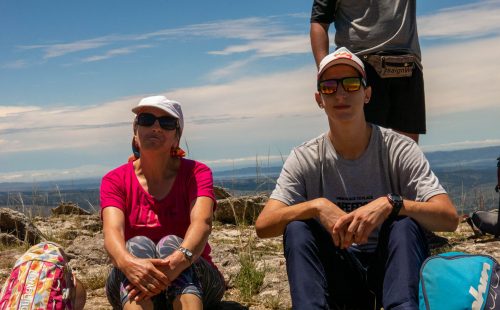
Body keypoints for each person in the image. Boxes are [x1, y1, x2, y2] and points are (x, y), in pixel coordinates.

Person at [255, 48, 459, 309]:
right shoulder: (306, 157)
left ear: (367, 94)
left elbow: (449, 218)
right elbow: (264, 225)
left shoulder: (399, 149)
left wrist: (391, 204)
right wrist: (316, 206)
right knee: (297, 226)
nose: (340, 94)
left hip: (391, 269)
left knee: (405, 223)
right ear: (319, 99)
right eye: (329, 87)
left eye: (351, 84)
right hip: (340, 271)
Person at [100, 95, 225, 310]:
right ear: (135, 133)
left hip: (195, 275)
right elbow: (112, 233)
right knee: (136, 246)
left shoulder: (196, 173)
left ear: (177, 137)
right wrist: (129, 264)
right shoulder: (115, 180)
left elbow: (202, 223)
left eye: (166, 123)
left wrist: (175, 263)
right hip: (134, 277)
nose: (156, 127)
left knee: (172, 242)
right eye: (147, 120)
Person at [310, 0, 425, 143]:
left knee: (407, 151)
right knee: (360, 151)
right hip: (358, 67)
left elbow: (319, 21)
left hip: (406, 63)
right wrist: (325, 72)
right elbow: (319, 21)